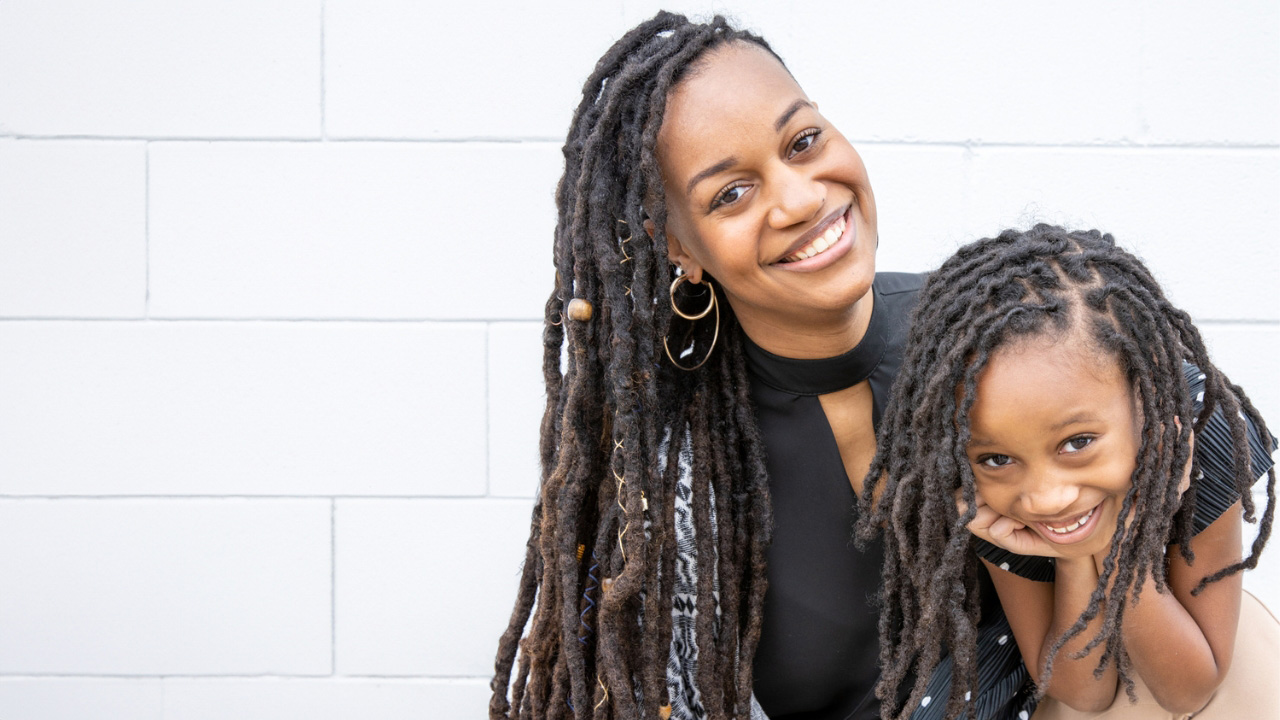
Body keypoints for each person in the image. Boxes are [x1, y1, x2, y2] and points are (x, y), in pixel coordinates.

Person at [489, 11, 1034, 720]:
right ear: (679, 246)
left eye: (804, 141)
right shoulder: (667, 463)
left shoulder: (1006, 341)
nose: (802, 199)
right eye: (731, 194)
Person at [860, 225, 1278, 720]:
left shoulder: (1201, 427)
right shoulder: (986, 495)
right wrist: (1077, 553)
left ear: (1145, 404)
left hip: (1193, 653)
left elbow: (1189, 689)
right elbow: (1083, 692)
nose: (1045, 497)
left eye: (1077, 443)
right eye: (997, 458)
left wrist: (1128, 539)